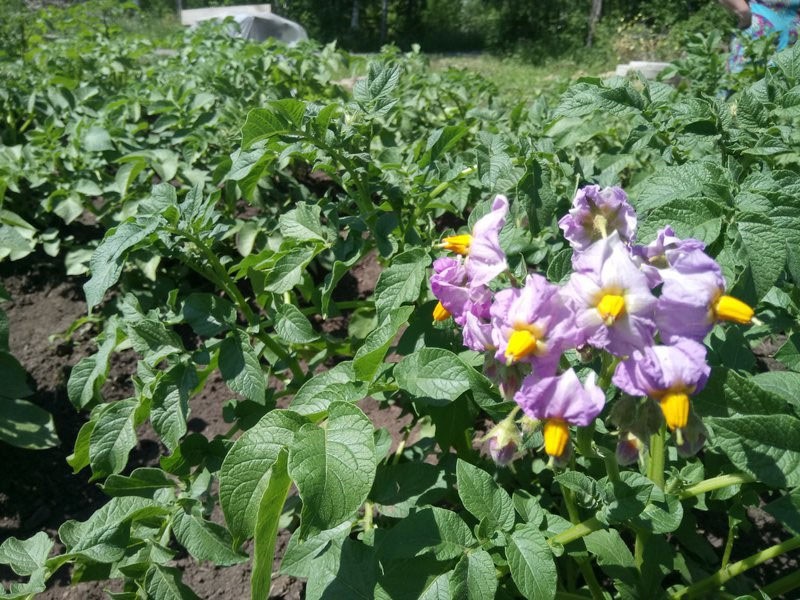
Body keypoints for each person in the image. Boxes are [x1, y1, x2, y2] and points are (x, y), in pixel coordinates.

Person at [719, 0, 800, 72]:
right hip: (759, 34)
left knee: (782, 82)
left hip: (791, 43)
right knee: (744, 80)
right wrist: (744, 12)